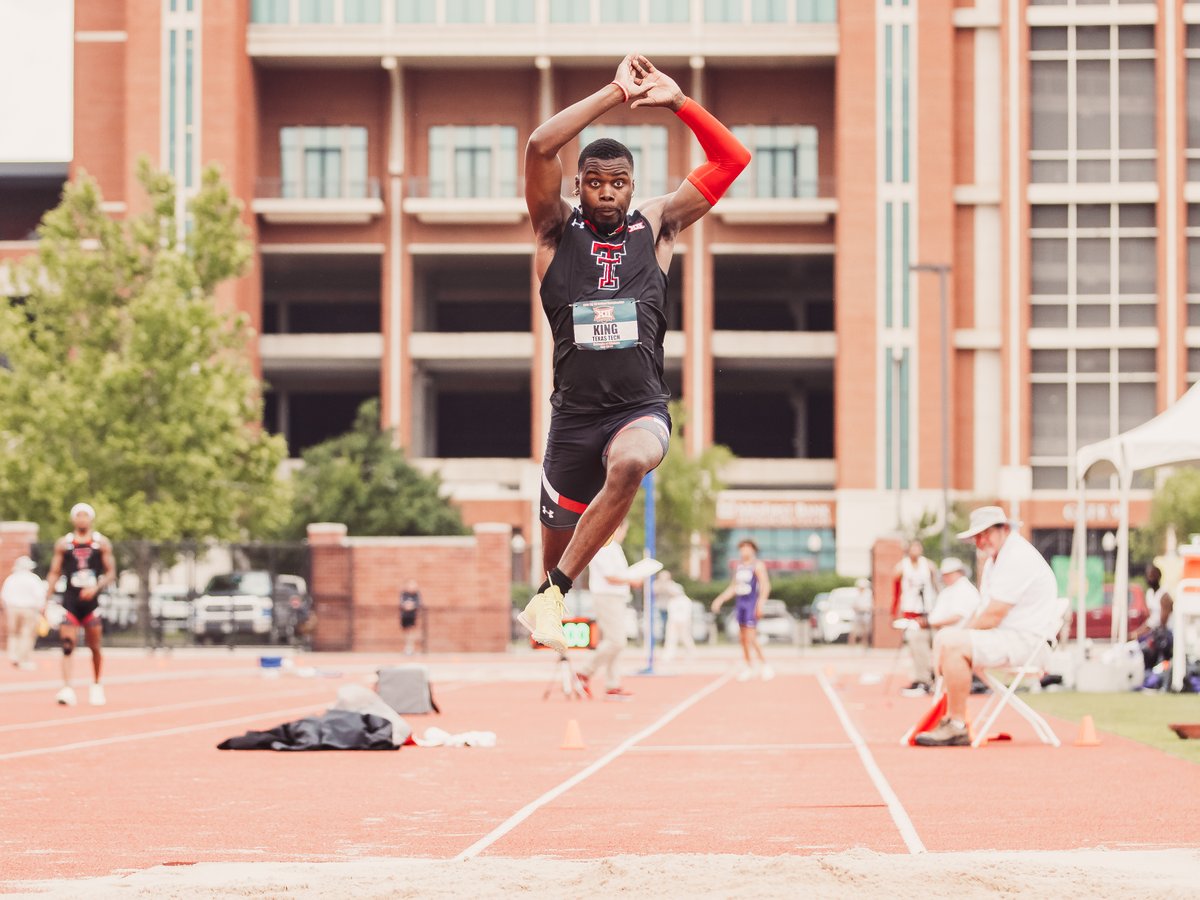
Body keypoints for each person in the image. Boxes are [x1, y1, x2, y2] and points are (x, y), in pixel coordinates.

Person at [517, 54, 750, 654]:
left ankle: (555, 596)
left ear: (632, 186)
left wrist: (678, 102)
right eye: (595, 183)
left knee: (629, 466)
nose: (607, 194)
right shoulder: (553, 230)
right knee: (550, 568)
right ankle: (557, 609)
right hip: (571, 419)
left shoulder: (658, 227)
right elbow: (540, 147)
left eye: (618, 183)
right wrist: (615, 92)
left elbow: (733, 160)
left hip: (637, 409)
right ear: (579, 186)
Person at [916, 506, 1060, 747]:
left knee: (953, 642)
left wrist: (956, 638)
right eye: (977, 536)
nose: (981, 541)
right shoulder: (999, 558)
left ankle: (957, 723)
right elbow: (983, 611)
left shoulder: (1016, 556)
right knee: (948, 638)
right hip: (1012, 637)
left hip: (1028, 643)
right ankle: (951, 716)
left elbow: (992, 615)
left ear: (1004, 529)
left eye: (985, 534)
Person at [44, 503, 116, 706]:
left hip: (91, 601)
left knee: (94, 645)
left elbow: (110, 572)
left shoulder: (100, 543)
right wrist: (47, 597)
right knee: (67, 645)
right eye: (79, 515)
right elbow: (54, 571)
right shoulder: (64, 544)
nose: (82, 519)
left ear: (91, 518)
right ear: (73, 519)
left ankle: (96, 683)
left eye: (85, 515)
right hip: (71, 599)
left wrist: (96, 587)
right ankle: (67, 688)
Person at [576, 521, 644, 700]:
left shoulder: (614, 548)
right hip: (607, 596)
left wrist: (631, 577)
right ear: (616, 529)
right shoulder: (604, 547)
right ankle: (584, 672)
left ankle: (612, 685)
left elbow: (617, 574)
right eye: (624, 531)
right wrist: (631, 580)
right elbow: (610, 577)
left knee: (615, 643)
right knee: (617, 641)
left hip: (617, 597)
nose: (625, 535)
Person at [900, 557, 982, 696]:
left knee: (917, 637)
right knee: (914, 634)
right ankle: (925, 677)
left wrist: (930, 623)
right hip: (940, 629)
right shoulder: (950, 590)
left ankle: (924, 681)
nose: (945, 577)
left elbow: (957, 615)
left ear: (958, 573)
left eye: (948, 574)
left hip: (954, 632)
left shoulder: (965, 589)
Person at [711, 539, 774, 681]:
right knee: (743, 638)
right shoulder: (739, 567)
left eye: (746, 548)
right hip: (741, 604)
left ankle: (765, 664)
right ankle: (748, 666)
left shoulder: (758, 565)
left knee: (751, 637)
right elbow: (733, 587)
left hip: (752, 604)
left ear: (753, 550)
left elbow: (765, 585)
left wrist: (761, 603)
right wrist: (720, 599)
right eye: (741, 548)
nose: (743, 551)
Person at [2, 555, 45, 671]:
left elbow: (4, 595)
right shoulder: (33, 579)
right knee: (27, 634)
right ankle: (23, 658)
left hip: (12, 608)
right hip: (29, 609)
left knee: (13, 633)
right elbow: (40, 595)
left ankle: (13, 655)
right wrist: (41, 609)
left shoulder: (11, 579)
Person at [1132, 563, 1173, 674]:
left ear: (1158, 577)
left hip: (1166, 634)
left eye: (1152, 575)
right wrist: (1137, 633)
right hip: (1155, 631)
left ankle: (1156, 675)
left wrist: (1145, 633)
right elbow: (1150, 619)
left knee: (1149, 646)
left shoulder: (1164, 596)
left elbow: (1161, 623)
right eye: (1148, 575)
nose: (1149, 578)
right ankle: (1147, 675)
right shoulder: (1149, 594)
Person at [659, 569, 696, 661]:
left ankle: (691, 653)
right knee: (671, 638)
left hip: (682, 621)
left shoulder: (684, 600)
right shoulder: (672, 601)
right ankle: (669, 654)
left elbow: (687, 612)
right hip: (673, 621)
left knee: (685, 637)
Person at [399, 579, 422, 656]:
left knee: (412, 631)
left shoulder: (416, 595)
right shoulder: (404, 594)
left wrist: (412, 605)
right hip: (405, 616)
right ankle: (406, 647)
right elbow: (402, 603)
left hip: (412, 616)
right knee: (406, 632)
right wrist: (407, 606)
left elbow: (418, 604)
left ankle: (411, 648)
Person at [849, 577, 873, 648]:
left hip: (865, 614)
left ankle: (864, 646)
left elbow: (870, 605)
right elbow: (853, 605)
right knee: (854, 631)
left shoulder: (868, 594)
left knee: (865, 632)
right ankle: (852, 647)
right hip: (857, 614)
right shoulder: (855, 594)